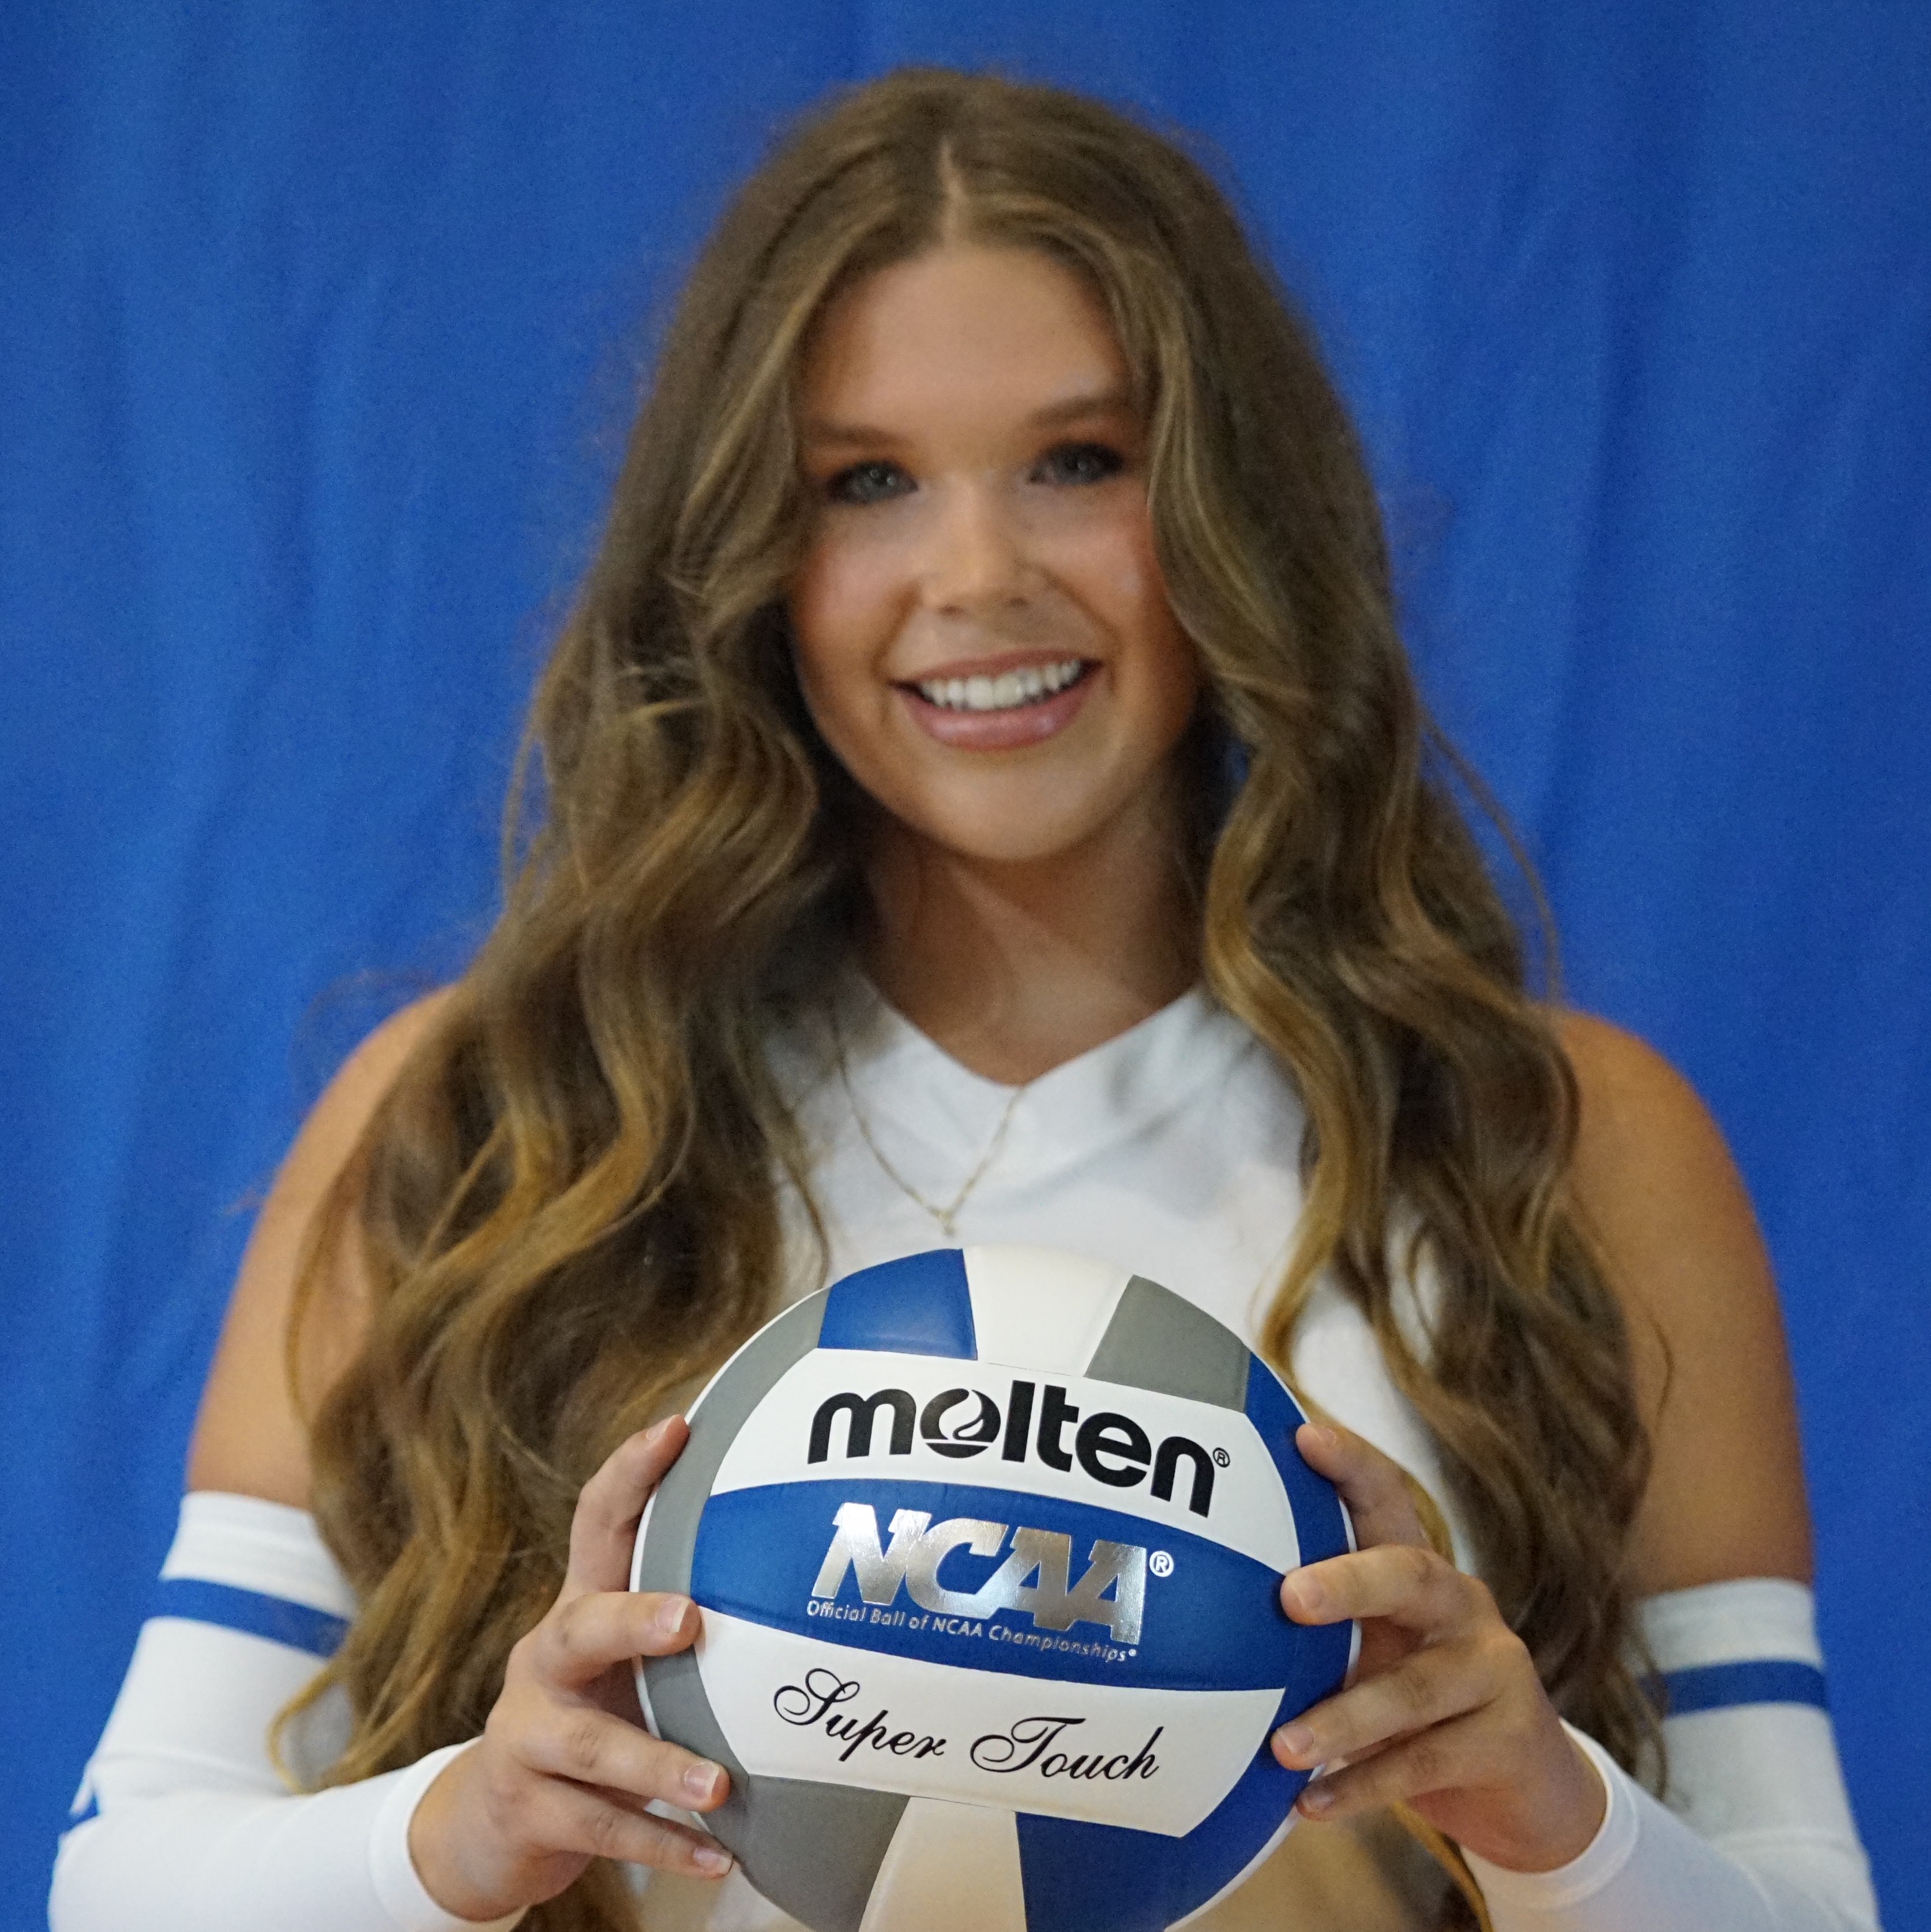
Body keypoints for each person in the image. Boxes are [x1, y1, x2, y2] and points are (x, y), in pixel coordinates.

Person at [51, 67, 1878, 1932]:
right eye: (864, 484)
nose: (977, 578)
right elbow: (122, 1885)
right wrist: (466, 1827)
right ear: (748, 558)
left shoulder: (1550, 1141)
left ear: (1234, 509)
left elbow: (1803, 1908)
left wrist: (1553, 1819)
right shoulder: (491, 1121)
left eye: (1079, 462)